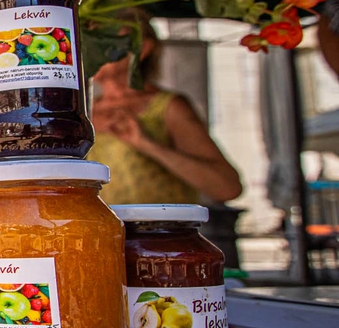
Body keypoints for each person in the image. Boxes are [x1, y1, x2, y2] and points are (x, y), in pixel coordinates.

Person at [88, 17, 243, 205]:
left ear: (142, 49)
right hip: (99, 233)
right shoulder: (82, 112)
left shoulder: (167, 107)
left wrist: (147, 145)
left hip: (158, 233)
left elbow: (228, 188)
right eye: (88, 42)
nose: (91, 51)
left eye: (104, 41)